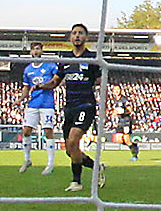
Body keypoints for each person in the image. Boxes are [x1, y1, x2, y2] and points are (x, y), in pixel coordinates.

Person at [59, 23, 103, 193]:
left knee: (73, 139)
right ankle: (96, 167)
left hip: (86, 105)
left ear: (86, 37)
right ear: (70, 37)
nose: (77, 36)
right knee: (70, 151)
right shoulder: (65, 59)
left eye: (80, 33)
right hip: (69, 107)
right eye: (74, 33)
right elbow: (57, 80)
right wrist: (43, 86)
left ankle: (76, 182)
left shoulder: (92, 58)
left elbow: (100, 79)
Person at [19, 43, 59, 174]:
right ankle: (27, 159)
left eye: (38, 49)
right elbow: (26, 87)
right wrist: (20, 98)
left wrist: (43, 86)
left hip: (47, 104)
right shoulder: (27, 70)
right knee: (26, 131)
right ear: (30, 52)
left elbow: (57, 81)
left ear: (42, 51)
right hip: (33, 104)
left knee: (48, 131)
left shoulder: (50, 66)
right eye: (34, 49)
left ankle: (50, 163)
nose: (36, 51)